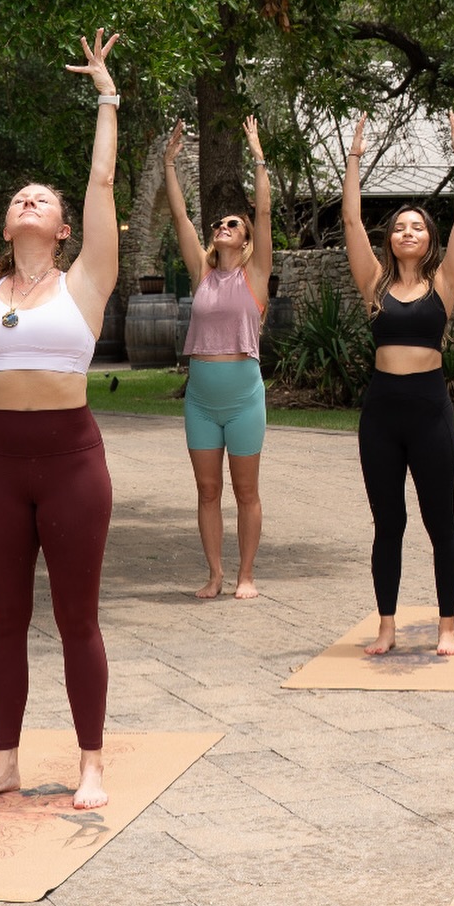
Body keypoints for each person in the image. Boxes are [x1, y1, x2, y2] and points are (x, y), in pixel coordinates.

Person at [0, 24, 120, 811]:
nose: (25, 201)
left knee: (77, 618)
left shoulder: (84, 285)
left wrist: (106, 98)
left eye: (41, 200)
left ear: (61, 228)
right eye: (18, 197)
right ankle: (5, 761)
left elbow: (105, 183)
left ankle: (90, 762)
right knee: (4, 619)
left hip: (72, 464)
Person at [342, 109, 454, 656]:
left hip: (429, 412)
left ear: (429, 238)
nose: (407, 232)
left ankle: (446, 626)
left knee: (439, 519)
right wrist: (353, 159)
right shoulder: (373, 285)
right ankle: (387, 626)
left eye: (417, 226)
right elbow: (351, 223)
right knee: (387, 523)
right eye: (399, 227)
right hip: (381, 414)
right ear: (390, 240)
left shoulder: (444, 284)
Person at [163, 116, 272, 600]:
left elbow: (264, 214)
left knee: (245, 492)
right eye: (219, 224)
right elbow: (181, 217)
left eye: (233, 223)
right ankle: (214, 574)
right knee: (208, 492)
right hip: (201, 400)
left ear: (245, 239)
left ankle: (246, 574)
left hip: (244, 397)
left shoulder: (257, 275)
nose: (221, 227)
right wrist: (169, 163)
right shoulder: (202, 274)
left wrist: (258, 155)